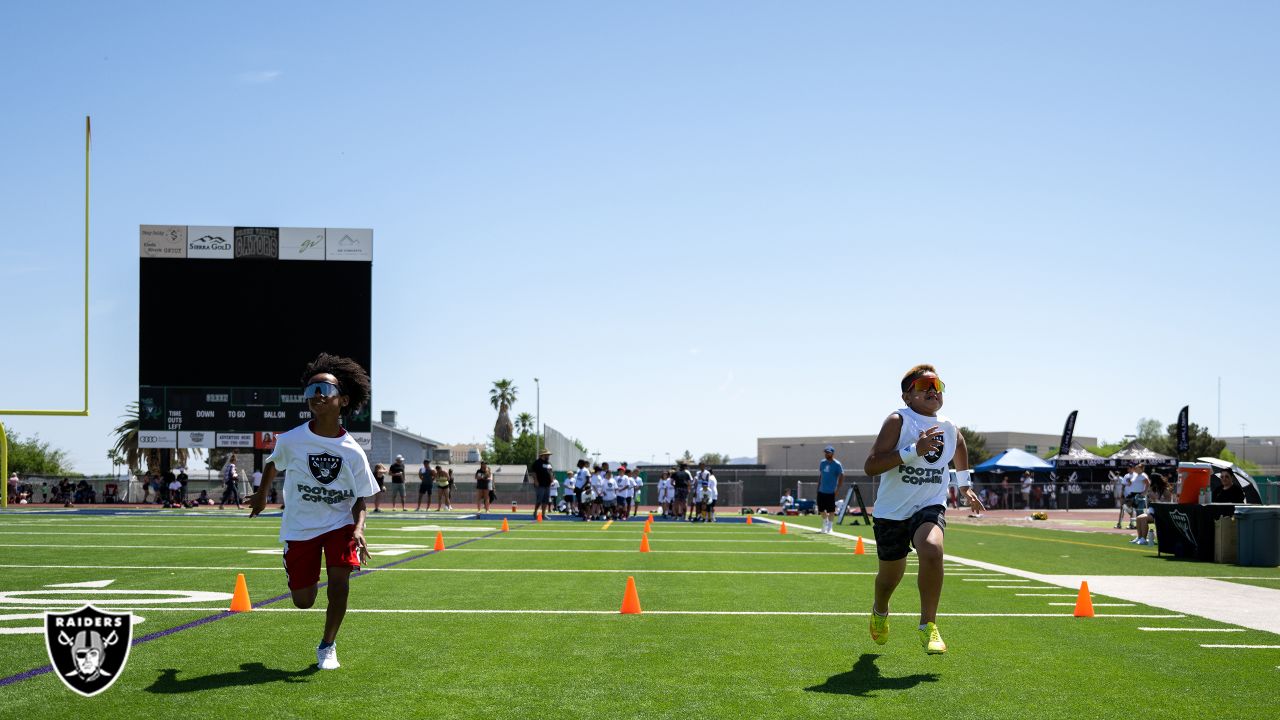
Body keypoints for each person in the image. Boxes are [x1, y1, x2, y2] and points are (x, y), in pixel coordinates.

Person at [247, 353, 377, 671]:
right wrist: (263, 497)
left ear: (343, 400)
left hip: (340, 524)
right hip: (301, 525)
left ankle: (328, 646)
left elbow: (362, 499)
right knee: (303, 601)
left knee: (339, 584)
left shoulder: (353, 452)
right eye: (310, 391)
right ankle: (295, 569)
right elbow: (273, 464)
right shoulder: (292, 440)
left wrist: (359, 529)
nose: (316, 396)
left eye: (324, 390)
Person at [863, 364, 982, 655]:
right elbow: (871, 466)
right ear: (907, 396)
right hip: (892, 512)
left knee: (932, 549)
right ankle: (880, 610)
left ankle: (928, 625)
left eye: (938, 386)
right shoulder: (897, 421)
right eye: (924, 385)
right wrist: (914, 450)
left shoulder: (949, 426)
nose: (932, 391)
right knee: (889, 578)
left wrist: (964, 485)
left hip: (929, 504)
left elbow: (960, 446)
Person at [817, 445, 844, 534]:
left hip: (831, 491)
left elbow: (841, 475)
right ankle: (825, 522)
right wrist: (818, 486)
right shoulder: (822, 463)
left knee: (831, 510)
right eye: (825, 452)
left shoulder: (837, 464)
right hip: (821, 490)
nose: (826, 454)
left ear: (832, 453)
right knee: (821, 509)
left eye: (828, 452)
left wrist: (838, 488)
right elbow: (821, 475)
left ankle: (830, 527)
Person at [528, 449, 555, 519]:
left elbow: (551, 472)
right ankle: (535, 511)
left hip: (547, 484)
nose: (548, 456)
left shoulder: (549, 463)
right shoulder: (537, 463)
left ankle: (543, 514)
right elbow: (533, 473)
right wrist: (536, 481)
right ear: (543, 455)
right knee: (539, 499)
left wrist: (552, 479)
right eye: (547, 455)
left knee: (546, 500)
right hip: (540, 484)